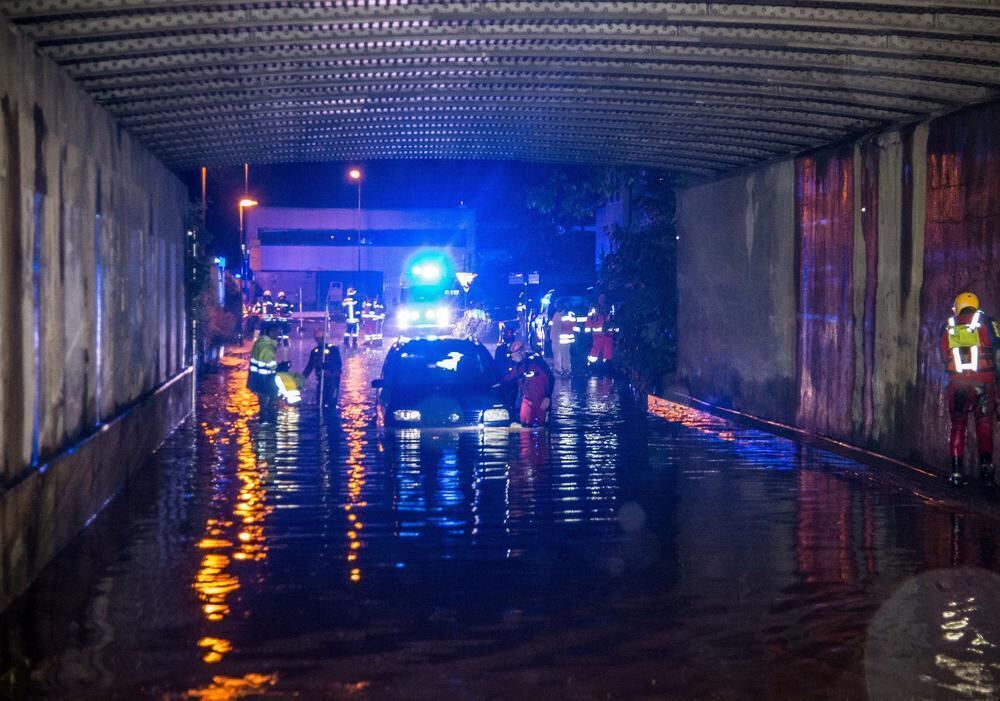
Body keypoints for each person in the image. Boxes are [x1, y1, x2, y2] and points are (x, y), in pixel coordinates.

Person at [940, 291, 1000, 486]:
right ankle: (986, 474)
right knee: (984, 427)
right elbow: (997, 352)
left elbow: (943, 354)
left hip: (957, 385)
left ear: (958, 306)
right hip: (984, 383)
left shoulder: (947, 326)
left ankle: (956, 473)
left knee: (958, 426)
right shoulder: (988, 323)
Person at [505, 339, 555, 427]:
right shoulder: (518, 366)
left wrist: (547, 397)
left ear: (520, 352)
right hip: (527, 400)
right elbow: (507, 379)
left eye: (513, 354)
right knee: (525, 425)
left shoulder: (537, 362)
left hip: (541, 400)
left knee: (542, 427)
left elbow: (550, 378)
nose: (512, 357)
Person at [303, 327, 343, 408]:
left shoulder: (333, 349)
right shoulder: (315, 351)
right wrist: (302, 378)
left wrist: (327, 366)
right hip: (321, 379)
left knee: (332, 401)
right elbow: (310, 366)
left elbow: (338, 364)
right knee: (320, 401)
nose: (319, 341)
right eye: (317, 339)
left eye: (321, 339)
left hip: (333, 380)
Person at [248, 323, 280, 413]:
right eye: (276, 332)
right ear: (271, 332)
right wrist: (281, 366)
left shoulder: (259, 343)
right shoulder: (268, 348)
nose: (278, 335)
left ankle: (262, 421)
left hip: (255, 378)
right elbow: (271, 366)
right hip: (266, 381)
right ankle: (268, 422)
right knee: (270, 404)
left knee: (262, 405)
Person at [585, 293, 615, 368]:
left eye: (604, 297)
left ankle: (607, 367)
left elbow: (613, 320)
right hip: (597, 335)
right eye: (601, 297)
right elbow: (589, 319)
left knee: (607, 352)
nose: (602, 299)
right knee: (594, 352)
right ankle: (592, 366)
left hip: (608, 334)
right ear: (598, 298)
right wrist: (588, 332)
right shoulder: (594, 308)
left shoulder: (609, 308)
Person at [550, 302, 579, 376]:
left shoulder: (568, 314)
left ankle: (566, 370)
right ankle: (558, 370)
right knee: (557, 355)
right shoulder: (556, 314)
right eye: (556, 305)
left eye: (559, 305)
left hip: (564, 339)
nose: (557, 306)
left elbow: (573, 326)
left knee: (565, 356)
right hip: (555, 339)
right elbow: (554, 327)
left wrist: (574, 336)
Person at [495, 325, 518, 414]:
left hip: (514, 378)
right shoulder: (500, 349)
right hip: (504, 378)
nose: (508, 335)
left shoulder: (517, 347)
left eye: (510, 333)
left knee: (513, 397)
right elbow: (497, 363)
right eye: (506, 334)